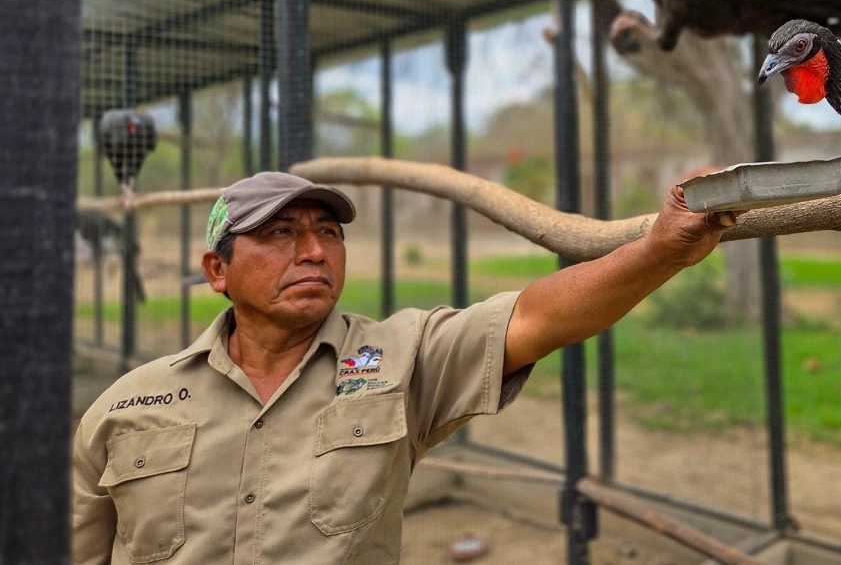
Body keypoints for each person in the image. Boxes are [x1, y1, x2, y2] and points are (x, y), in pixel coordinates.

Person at [73, 171, 741, 563]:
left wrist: (660, 249)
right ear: (216, 270)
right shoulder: (124, 408)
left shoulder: (400, 358)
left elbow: (537, 317)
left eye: (328, 233)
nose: (314, 251)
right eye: (280, 234)